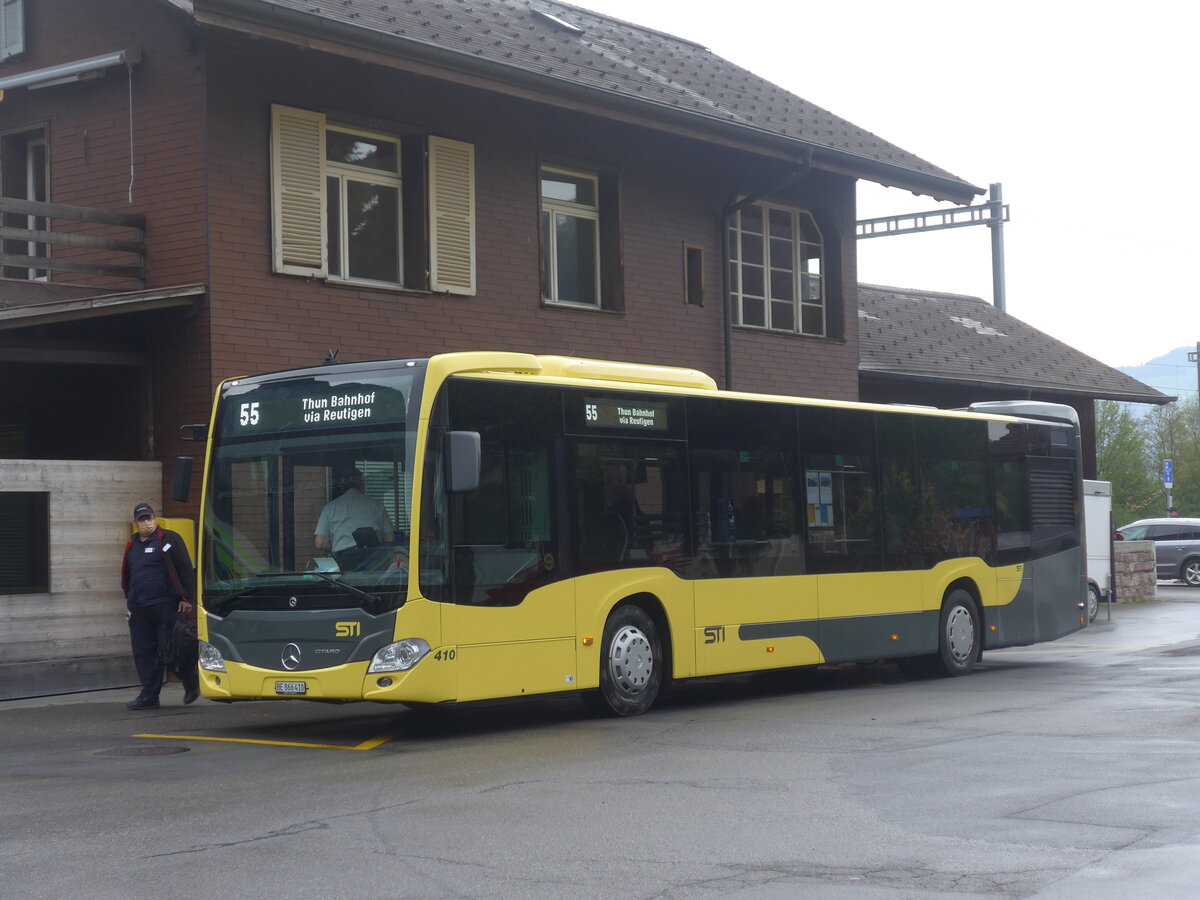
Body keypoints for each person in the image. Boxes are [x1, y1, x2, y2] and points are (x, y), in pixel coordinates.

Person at [120, 503, 199, 710]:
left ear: (154, 518)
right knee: (143, 651)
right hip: (139, 608)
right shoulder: (132, 545)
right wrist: (129, 598)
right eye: (142, 519)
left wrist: (187, 598)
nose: (146, 522)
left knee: (171, 649)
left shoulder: (169, 540)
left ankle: (190, 679)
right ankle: (149, 695)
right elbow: (128, 573)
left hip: (166, 605)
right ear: (136, 522)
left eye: (149, 517)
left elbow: (185, 568)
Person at [314, 467, 393, 567]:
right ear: (362, 484)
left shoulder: (330, 508)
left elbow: (320, 543)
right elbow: (389, 538)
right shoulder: (377, 505)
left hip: (344, 563)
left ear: (341, 486)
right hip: (373, 563)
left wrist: (336, 545)